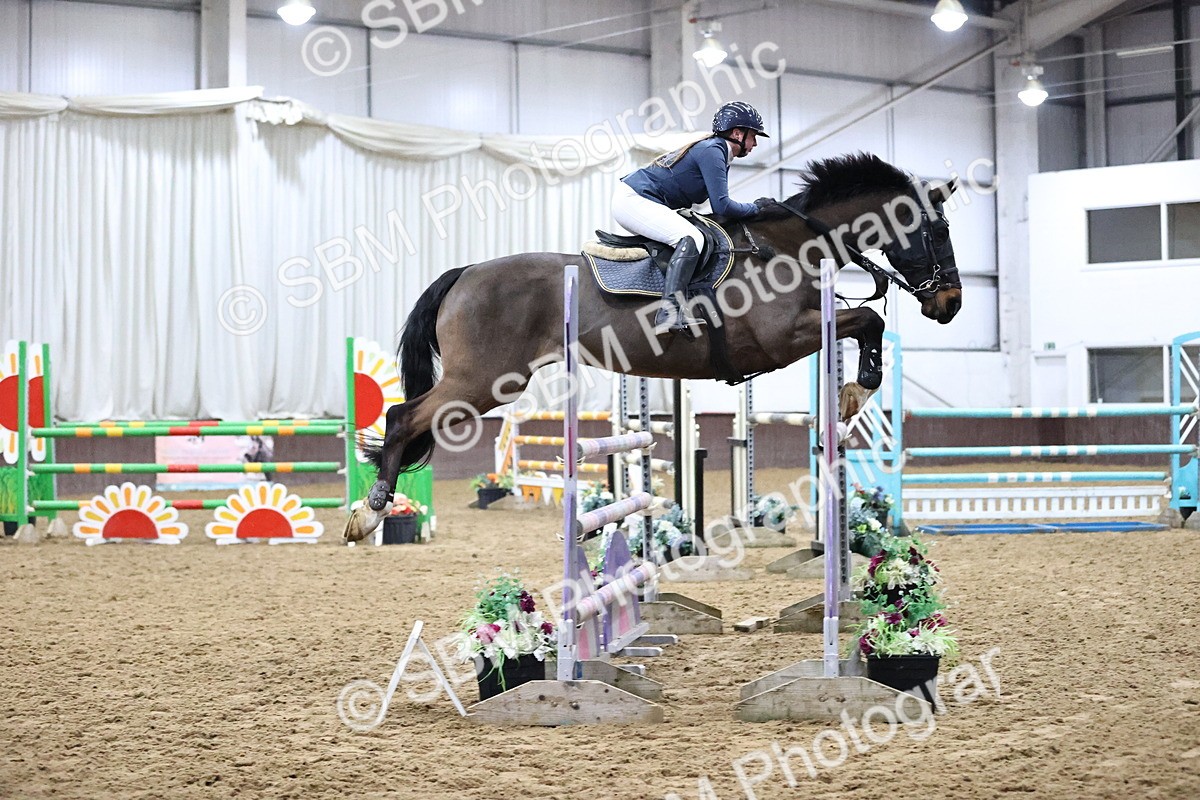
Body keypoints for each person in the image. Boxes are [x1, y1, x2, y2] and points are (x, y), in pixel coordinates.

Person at [613, 101, 772, 335]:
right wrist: (756, 208)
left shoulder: (718, 151)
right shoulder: (713, 151)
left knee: (698, 234)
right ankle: (668, 312)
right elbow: (722, 205)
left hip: (642, 200)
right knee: (691, 238)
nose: (755, 143)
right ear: (738, 133)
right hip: (633, 200)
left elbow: (716, 208)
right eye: (753, 136)